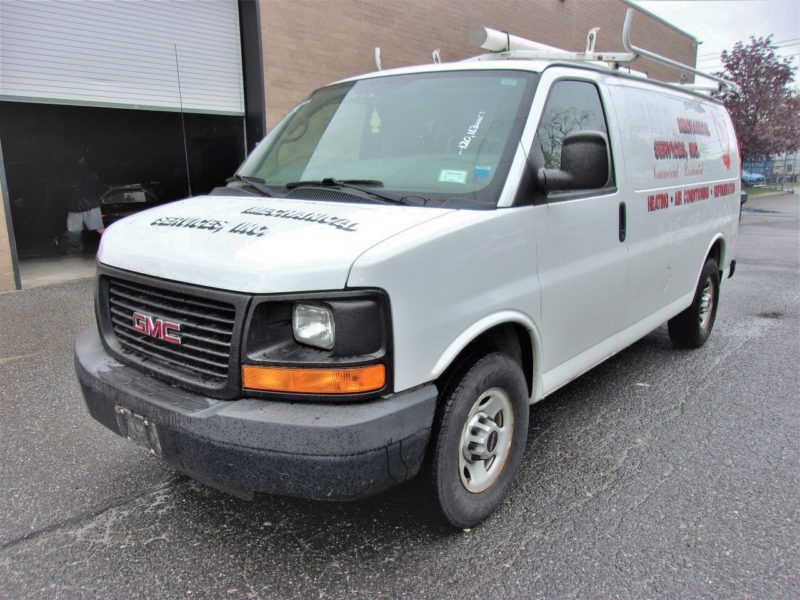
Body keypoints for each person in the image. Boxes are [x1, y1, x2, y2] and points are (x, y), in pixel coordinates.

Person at [63, 152, 104, 253]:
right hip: (84, 205)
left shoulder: (76, 173)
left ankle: (74, 252)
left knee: (75, 231)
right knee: (76, 231)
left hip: (82, 206)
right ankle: (74, 251)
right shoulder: (91, 173)